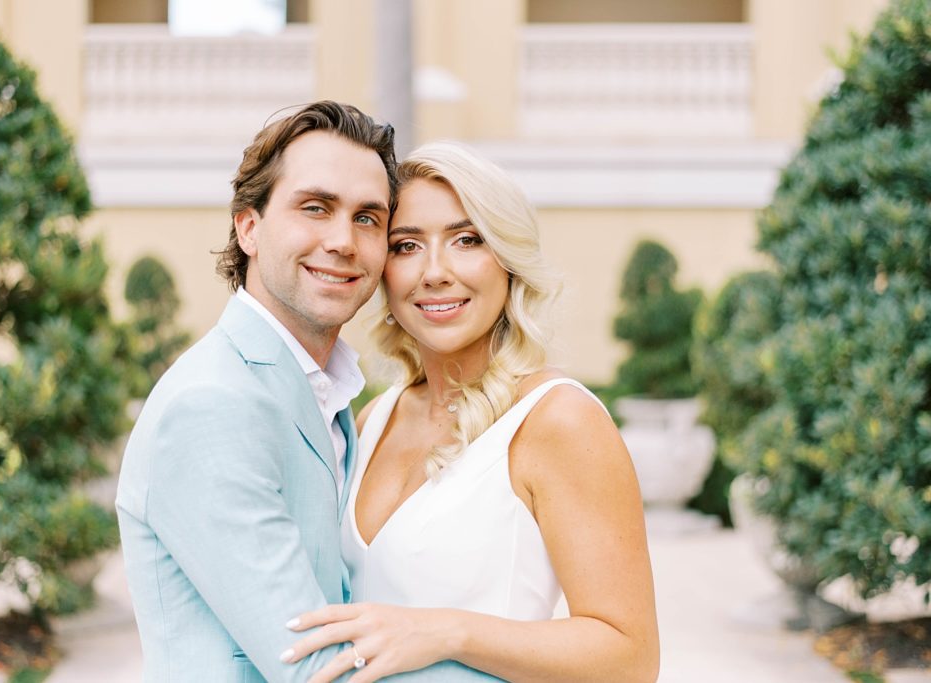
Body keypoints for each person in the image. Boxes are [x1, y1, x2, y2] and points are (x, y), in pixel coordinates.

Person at [115, 103, 497, 682]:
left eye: (369, 219)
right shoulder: (213, 404)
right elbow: (319, 667)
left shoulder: (333, 401)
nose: (343, 241)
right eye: (315, 208)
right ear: (249, 227)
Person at [282, 142, 661, 682]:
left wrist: (446, 631)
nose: (435, 273)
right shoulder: (372, 420)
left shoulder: (558, 420)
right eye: (407, 245)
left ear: (507, 259)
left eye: (466, 240)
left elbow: (631, 658)